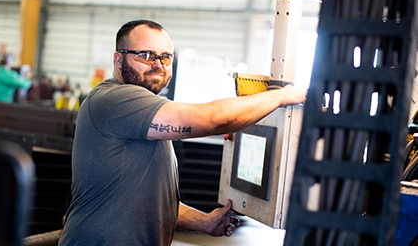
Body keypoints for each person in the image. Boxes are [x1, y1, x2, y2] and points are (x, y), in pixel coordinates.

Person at [58, 19, 307, 246]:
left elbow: (148, 199)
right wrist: (282, 96)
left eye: (165, 57)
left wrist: (204, 222)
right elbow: (212, 120)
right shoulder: (115, 98)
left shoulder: (147, 113)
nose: (157, 65)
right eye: (145, 55)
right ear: (118, 58)